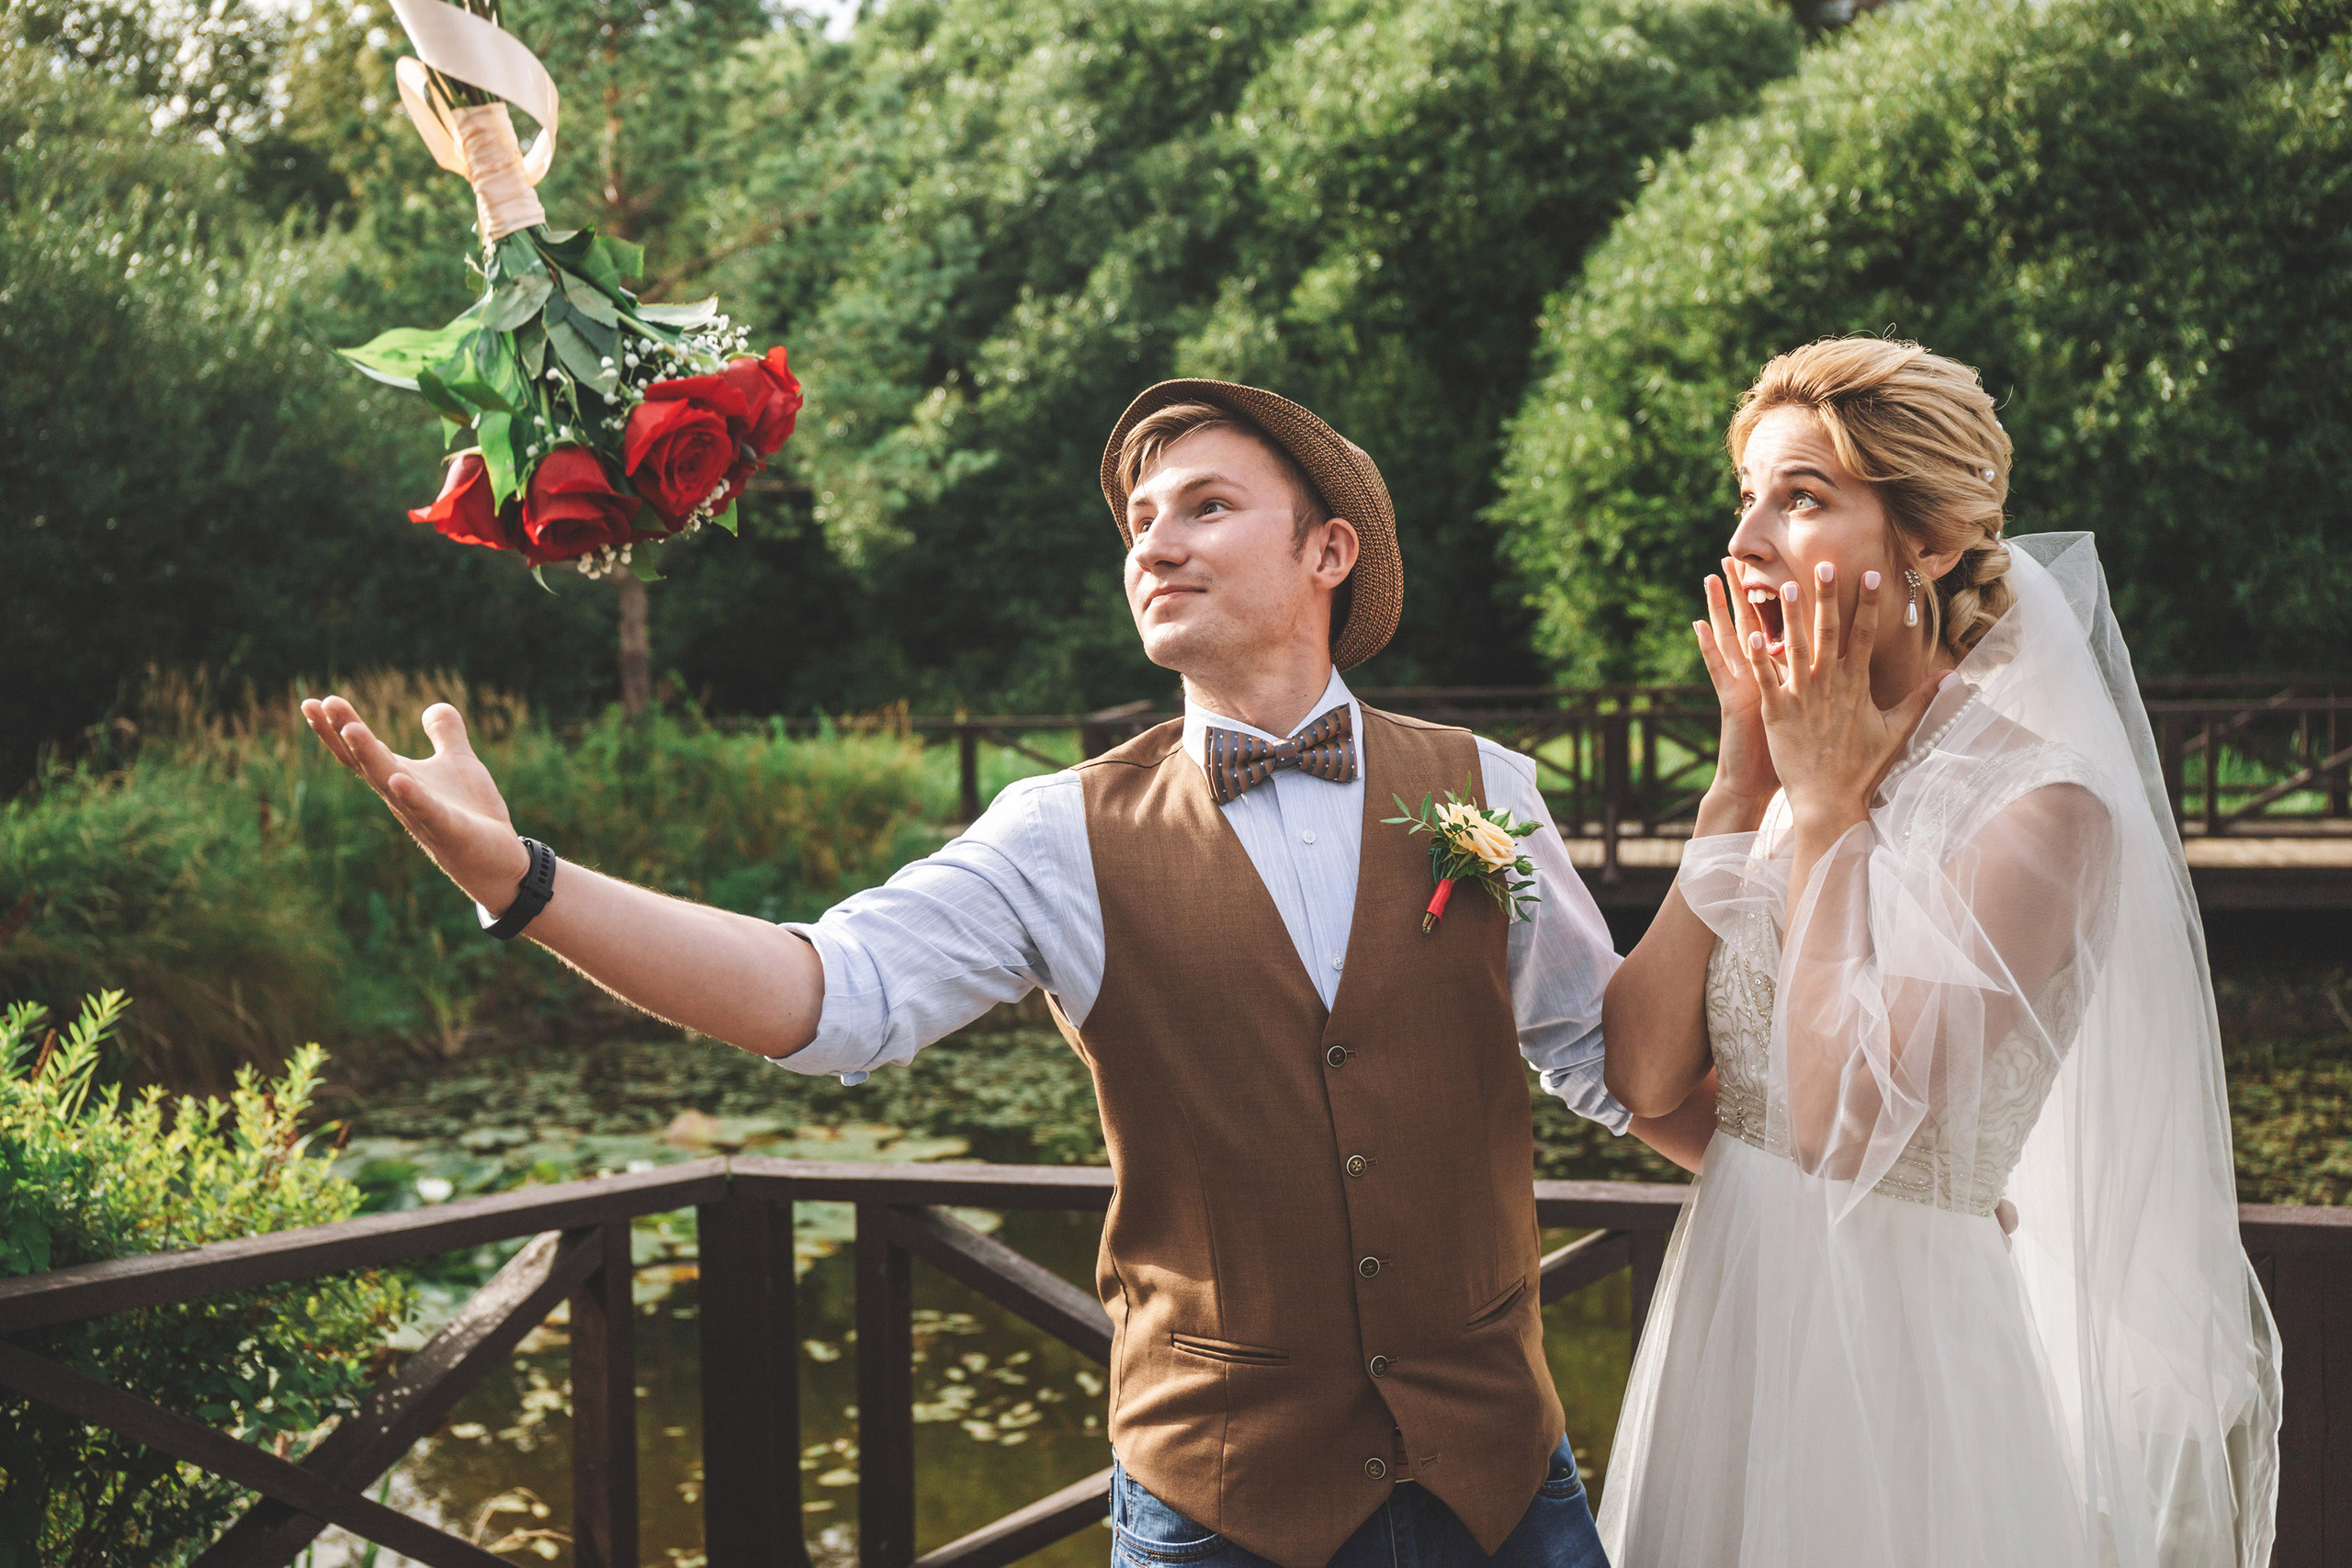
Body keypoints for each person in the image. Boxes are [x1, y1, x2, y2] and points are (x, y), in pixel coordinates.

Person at [302, 378, 1711, 1568]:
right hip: (1222, 1508)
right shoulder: (1057, 833)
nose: (1155, 540)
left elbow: (1603, 1056)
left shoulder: (1488, 790)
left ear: (1331, 552)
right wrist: (525, 882)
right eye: (1141, 521)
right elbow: (824, 996)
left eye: (1207, 506)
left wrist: (1828, 1195)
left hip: (1502, 1486)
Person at [1593, 338, 2281, 1566]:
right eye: (1745, 499)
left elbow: (1833, 1128)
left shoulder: (2046, 808)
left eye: (1800, 498)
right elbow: (1644, 1078)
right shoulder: (1782, 769)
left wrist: (1826, 813)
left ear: (1934, 536)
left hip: (1891, 1361)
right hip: (1727, 1317)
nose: (1747, 543)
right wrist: (1738, 783)